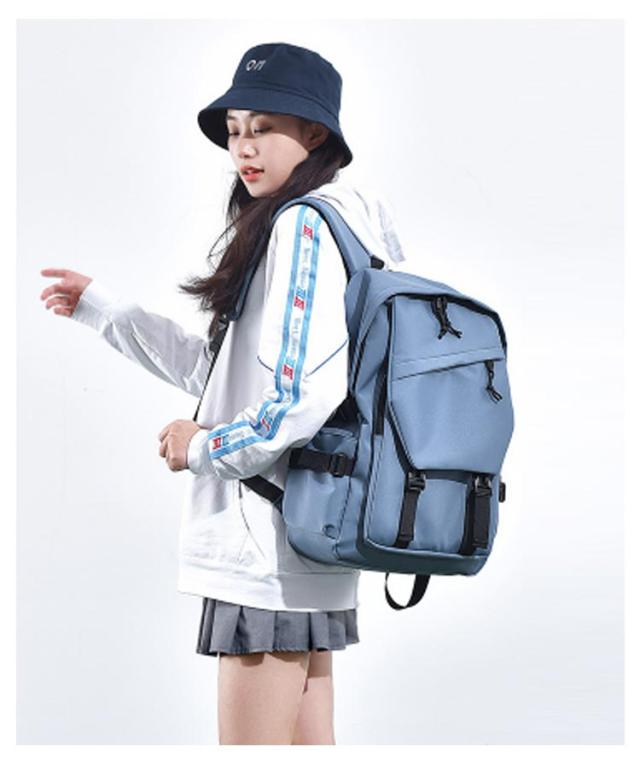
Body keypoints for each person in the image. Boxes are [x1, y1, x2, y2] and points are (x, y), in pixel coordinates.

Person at [39, 42, 407, 745]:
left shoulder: (304, 225)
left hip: (262, 543)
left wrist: (205, 446)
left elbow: (300, 396)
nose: (244, 147)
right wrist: (108, 312)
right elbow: (226, 376)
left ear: (315, 134)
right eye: (235, 131)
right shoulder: (345, 227)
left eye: (263, 127)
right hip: (308, 534)